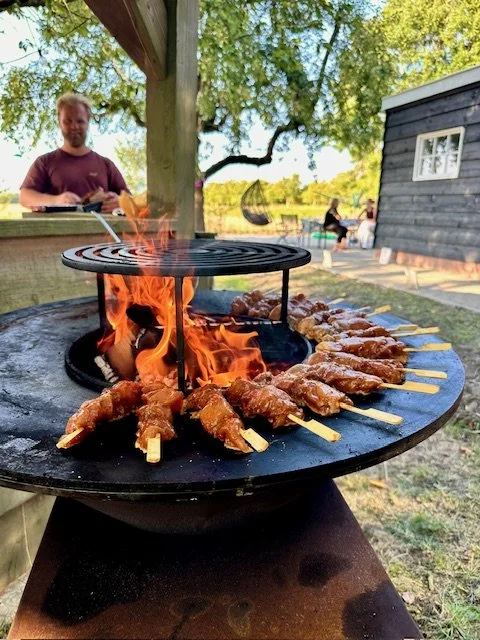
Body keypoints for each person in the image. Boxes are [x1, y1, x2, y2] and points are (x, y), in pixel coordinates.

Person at [20, 93, 129, 213]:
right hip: (56, 230)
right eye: (67, 121)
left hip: (101, 231)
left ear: (88, 121)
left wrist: (120, 202)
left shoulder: (106, 164)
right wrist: (57, 200)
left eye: (80, 121)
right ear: (59, 122)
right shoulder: (44, 162)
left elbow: (130, 199)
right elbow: (25, 196)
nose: (74, 126)